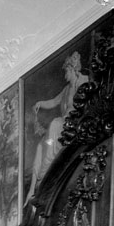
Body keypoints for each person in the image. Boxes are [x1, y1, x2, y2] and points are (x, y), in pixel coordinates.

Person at [28, 51, 88, 200]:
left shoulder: (83, 81)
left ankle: (47, 169)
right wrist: (40, 103)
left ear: (72, 69)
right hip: (65, 123)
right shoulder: (67, 89)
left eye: (66, 71)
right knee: (41, 144)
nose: (65, 75)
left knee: (55, 124)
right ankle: (38, 180)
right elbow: (54, 102)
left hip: (76, 122)